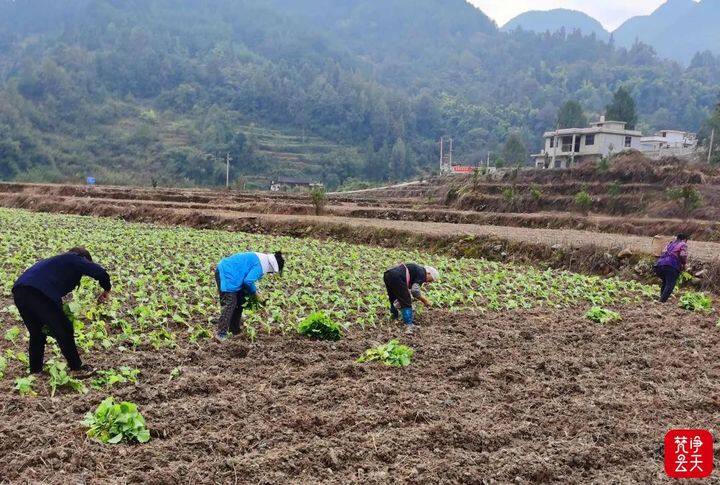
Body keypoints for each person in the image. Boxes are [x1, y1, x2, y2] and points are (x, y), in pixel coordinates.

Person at [11, 247, 112, 374]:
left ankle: (35, 371)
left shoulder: (54, 261)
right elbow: (99, 272)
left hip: (20, 292)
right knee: (64, 329)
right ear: (83, 258)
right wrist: (106, 288)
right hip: (38, 293)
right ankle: (77, 368)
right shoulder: (74, 258)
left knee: (37, 333)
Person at [214, 251, 285, 341]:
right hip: (228, 273)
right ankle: (221, 334)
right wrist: (255, 294)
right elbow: (248, 281)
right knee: (230, 303)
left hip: (232, 273)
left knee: (239, 303)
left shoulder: (262, 259)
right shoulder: (262, 264)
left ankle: (235, 330)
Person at [383, 263, 439, 332]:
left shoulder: (417, 270)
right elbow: (415, 291)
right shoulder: (422, 273)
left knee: (393, 298)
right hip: (397, 277)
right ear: (428, 273)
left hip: (388, 274)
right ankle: (409, 325)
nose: (428, 282)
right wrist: (424, 301)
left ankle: (394, 316)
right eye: (430, 280)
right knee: (406, 301)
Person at [655, 233, 689, 303]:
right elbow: (682, 255)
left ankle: (661, 298)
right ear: (685, 239)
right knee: (670, 284)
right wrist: (684, 264)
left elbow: (663, 252)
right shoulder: (683, 244)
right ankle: (661, 301)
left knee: (665, 282)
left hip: (659, 265)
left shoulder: (670, 243)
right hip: (671, 265)